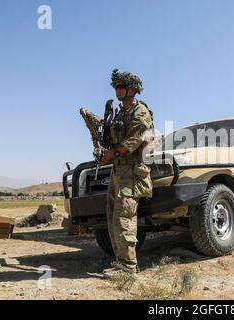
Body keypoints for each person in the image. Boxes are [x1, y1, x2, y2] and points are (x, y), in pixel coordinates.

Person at [101, 69, 154, 275]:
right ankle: (120, 262)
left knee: (124, 219)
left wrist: (111, 154)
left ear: (132, 89)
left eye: (121, 86)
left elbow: (132, 142)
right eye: (115, 86)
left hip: (132, 172)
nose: (117, 90)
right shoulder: (120, 113)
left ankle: (128, 268)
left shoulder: (140, 113)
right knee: (113, 218)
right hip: (119, 170)